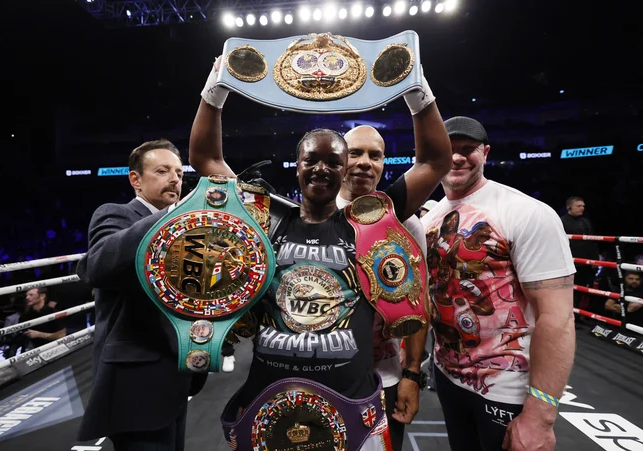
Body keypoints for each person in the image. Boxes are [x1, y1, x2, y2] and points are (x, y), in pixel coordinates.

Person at [189, 57, 451, 449]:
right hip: (270, 399)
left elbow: (434, 162)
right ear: (297, 166)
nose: (322, 169)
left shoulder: (370, 223)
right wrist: (216, 88)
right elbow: (206, 161)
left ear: (345, 170)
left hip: (352, 405)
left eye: (333, 162)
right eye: (312, 159)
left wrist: (418, 89)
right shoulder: (267, 217)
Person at [420, 116, 576, 451]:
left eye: (468, 149)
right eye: (450, 149)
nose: (458, 157)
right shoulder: (430, 220)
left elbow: (557, 317)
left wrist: (541, 414)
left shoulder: (526, 213)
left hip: (506, 385)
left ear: (486, 153)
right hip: (447, 376)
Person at [76, 139, 207, 451]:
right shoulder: (115, 214)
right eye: (162, 171)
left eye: (178, 172)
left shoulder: (189, 232)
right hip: (132, 380)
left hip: (175, 373)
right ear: (136, 179)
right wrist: (174, 213)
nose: (175, 178)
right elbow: (96, 266)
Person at [337, 125, 432, 451]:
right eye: (355, 153)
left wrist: (412, 374)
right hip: (323, 374)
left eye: (374, 155)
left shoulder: (406, 223)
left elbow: (419, 303)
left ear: (383, 164)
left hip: (384, 377)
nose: (365, 162)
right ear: (339, 160)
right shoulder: (316, 214)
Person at [560, 196, 600, 313]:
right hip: (570, 262)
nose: (582, 208)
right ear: (569, 207)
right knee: (570, 291)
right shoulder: (561, 221)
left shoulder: (586, 221)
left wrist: (595, 259)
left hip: (586, 262)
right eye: (579, 206)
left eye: (583, 206)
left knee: (583, 290)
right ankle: (569, 316)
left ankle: (579, 315)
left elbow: (592, 241)